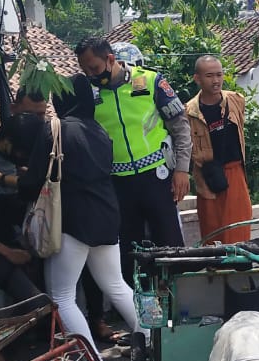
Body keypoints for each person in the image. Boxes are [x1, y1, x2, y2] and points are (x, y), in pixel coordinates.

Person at [18, 75, 140, 360]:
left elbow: (34, 180)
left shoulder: (54, 129)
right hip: (107, 216)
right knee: (116, 285)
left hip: (72, 220)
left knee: (61, 296)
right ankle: (152, 344)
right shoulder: (99, 131)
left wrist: (9, 181)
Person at [64, 36, 190, 281]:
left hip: (157, 175)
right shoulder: (89, 93)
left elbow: (180, 126)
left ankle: (178, 303)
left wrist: (182, 169)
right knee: (128, 250)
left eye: (94, 68)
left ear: (111, 59)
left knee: (170, 243)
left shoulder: (148, 80)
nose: (90, 74)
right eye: (84, 69)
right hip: (117, 182)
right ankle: (138, 310)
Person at [0, 115, 43, 306]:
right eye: (23, 153)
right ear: (7, 141)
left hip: (15, 240)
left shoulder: (17, 166)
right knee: (38, 304)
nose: (25, 157)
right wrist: (7, 252)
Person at [187, 55, 252, 243]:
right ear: (197, 78)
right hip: (207, 176)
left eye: (219, 75)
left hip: (235, 171)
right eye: (209, 76)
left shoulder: (235, 100)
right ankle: (215, 271)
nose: (216, 80)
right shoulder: (189, 111)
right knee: (212, 232)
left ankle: (238, 270)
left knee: (238, 231)